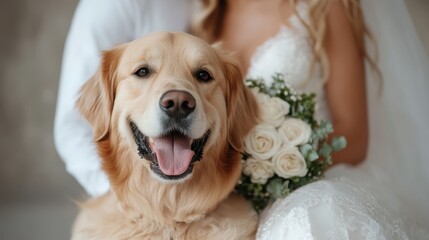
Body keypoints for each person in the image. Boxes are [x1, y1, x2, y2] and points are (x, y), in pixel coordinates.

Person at [54, 0, 429, 239]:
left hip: (296, 185)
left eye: (202, 76)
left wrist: (275, 166)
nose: (178, 100)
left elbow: (354, 137)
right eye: (142, 72)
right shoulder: (202, 12)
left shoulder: (323, 7)